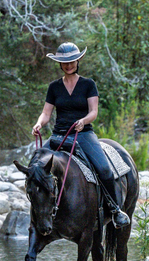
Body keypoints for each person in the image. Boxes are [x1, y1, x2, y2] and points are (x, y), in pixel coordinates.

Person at [32, 42, 129, 228]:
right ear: (60, 64)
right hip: (58, 136)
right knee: (35, 168)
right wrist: (38, 124)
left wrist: (83, 121)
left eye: (72, 61)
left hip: (83, 134)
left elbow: (93, 112)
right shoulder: (54, 87)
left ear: (78, 61)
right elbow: (46, 113)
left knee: (104, 169)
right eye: (65, 62)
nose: (69, 65)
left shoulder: (88, 84)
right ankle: (37, 211)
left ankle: (115, 209)